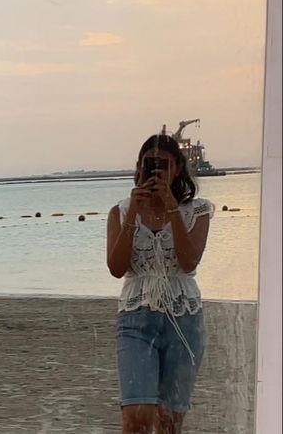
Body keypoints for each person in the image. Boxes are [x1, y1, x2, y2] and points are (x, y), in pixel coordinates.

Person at [106, 133, 214, 434]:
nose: (156, 171)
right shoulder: (121, 211)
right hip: (135, 318)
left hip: (185, 319)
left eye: (164, 165)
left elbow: (189, 261)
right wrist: (133, 214)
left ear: (178, 168)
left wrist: (170, 208)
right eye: (150, 164)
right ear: (138, 167)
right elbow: (116, 268)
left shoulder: (198, 211)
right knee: (136, 418)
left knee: (169, 423)